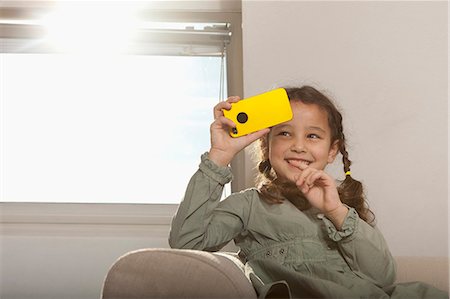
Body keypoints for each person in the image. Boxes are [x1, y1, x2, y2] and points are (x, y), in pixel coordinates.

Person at [169, 85, 448, 298]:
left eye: (312, 136)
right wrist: (219, 155)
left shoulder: (342, 206)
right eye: (285, 133)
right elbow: (186, 244)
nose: (298, 146)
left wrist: (336, 211)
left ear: (332, 150)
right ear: (266, 146)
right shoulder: (249, 205)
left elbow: (383, 277)